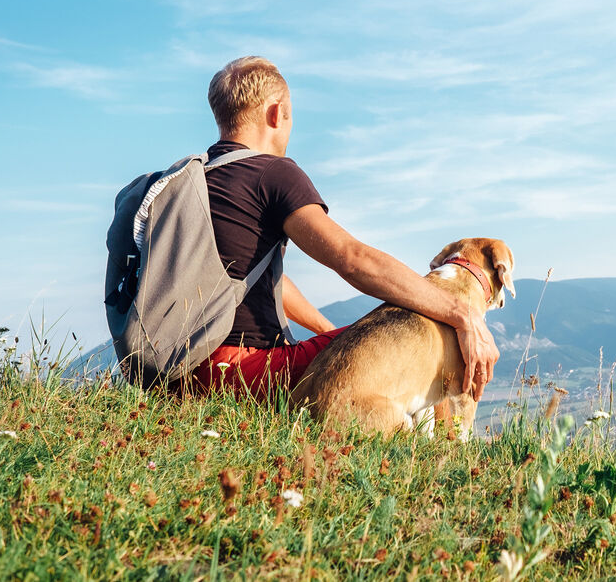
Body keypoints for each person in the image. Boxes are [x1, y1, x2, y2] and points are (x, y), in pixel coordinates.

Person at [188, 56, 499, 400]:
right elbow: (353, 260)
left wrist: (327, 331)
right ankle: (446, 443)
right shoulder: (271, 174)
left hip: (173, 373)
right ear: (277, 113)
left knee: (361, 337)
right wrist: (461, 314)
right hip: (238, 373)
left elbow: (250, 279)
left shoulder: (196, 182)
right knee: (427, 329)